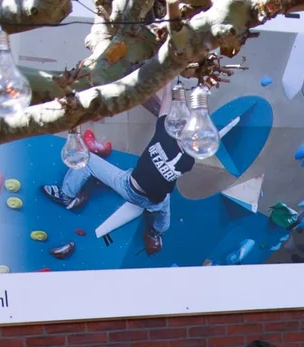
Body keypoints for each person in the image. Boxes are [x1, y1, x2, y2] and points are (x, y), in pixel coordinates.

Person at [43, 91, 225, 256]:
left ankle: (66, 195)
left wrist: (168, 82)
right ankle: (155, 233)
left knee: (87, 161)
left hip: (130, 187)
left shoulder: (162, 134)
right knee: (164, 219)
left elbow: (164, 107)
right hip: (156, 201)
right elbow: (202, 148)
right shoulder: (188, 162)